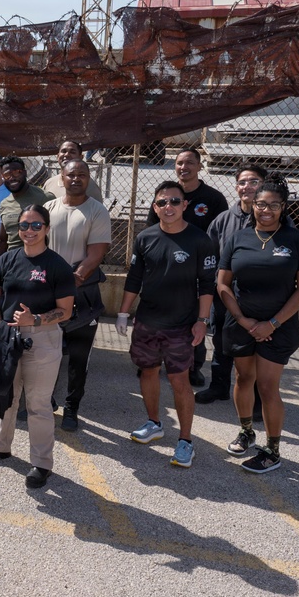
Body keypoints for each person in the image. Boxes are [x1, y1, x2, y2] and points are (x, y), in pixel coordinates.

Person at [217, 179, 299, 473]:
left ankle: (272, 450)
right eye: (261, 204)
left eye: (274, 205)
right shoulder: (239, 238)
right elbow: (223, 283)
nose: (267, 210)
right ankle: (246, 431)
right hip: (241, 323)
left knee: (268, 386)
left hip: (280, 326)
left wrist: (272, 323)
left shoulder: (297, 240)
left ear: (283, 207)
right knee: (243, 378)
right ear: (253, 206)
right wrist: (246, 321)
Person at [0, 205, 76, 489]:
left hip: (42, 337)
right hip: (7, 335)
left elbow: (66, 311)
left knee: (38, 404)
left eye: (35, 225)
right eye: (23, 226)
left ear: (46, 228)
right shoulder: (7, 259)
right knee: (4, 393)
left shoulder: (57, 266)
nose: (29, 231)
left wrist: (37, 319)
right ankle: (0, 446)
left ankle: (41, 463)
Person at [117, 181, 216, 469]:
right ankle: (154, 423)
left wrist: (202, 321)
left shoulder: (200, 240)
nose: (168, 207)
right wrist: (123, 312)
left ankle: (185, 441)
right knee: (147, 372)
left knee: (179, 380)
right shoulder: (145, 237)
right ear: (154, 207)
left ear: (185, 205)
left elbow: (207, 285)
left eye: (174, 201)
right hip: (147, 322)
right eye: (162, 203)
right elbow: (134, 278)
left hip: (182, 326)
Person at [144, 149, 228, 387]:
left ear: (200, 166)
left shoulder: (213, 198)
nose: (184, 167)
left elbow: (221, 236)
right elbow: (151, 231)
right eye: (179, 163)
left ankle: (192, 367)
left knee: (195, 320)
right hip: (165, 269)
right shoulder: (163, 195)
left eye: (190, 162)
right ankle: (152, 364)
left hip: (197, 273)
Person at [43, 159, 111, 431]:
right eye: (71, 174)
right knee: (47, 354)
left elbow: (96, 254)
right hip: (49, 296)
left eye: (82, 175)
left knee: (78, 359)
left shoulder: (97, 211)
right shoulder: (48, 208)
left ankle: (72, 409)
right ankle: (45, 400)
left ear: (88, 179)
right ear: (62, 177)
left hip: (83, 298)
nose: (76, 179)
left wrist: (72, 280)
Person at [197, 164, 269, 414]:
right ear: (236, 187)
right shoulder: (223, 220)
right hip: (225, 293)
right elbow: (209, 256)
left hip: (259, 296)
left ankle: (258, 399)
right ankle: (219, 386)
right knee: (221, 339)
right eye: (242, 182)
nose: (247, 187)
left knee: (257, 344)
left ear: (264, 185)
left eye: (254, 181)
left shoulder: (275, 218)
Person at [0, 156, 54, 262]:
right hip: (12, 263)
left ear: (24, 173)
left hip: (39, 264)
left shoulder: (45, 198)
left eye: (16, 172)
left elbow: (55, 234)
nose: (12, 177)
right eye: (7, 175)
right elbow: (2, 240)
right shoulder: (4, 204)